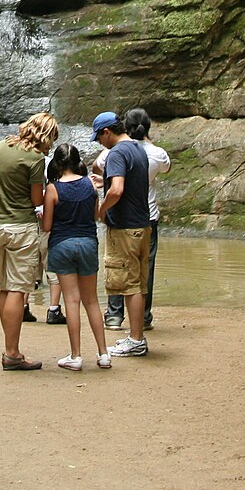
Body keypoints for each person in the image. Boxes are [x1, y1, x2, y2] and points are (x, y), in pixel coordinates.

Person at [0, 113, 55, 370]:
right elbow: (36, 200)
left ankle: (9, 348)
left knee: (5, 287)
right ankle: (12, 353)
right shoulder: (36, 158)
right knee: (17, 289)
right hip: (20, 228)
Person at [41, 140, 111, 370]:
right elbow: (95, 216)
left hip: (62, 244)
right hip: (88, 243)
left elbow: (48, 226)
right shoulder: (90, 185)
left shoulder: (53, 189)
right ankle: (103, 354)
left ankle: (76, 356)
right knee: (92, 300)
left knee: (71, 300)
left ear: (58, 165)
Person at [92, 111, 152, 358]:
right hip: (142, 225)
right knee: (138, 282)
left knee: (129, 285)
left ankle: (136, 339)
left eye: (98, 138)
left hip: (125, 228)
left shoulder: (116, 153)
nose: (99, 143)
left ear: (107, 132)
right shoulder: (139, 148)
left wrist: (101, 210)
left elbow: (117, 190)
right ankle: (136, 336)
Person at [104, 107, 169, 332]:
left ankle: (114, 316)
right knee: (144, 270)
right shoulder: (155, 153)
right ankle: (143, 318)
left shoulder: (116, 151)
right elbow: (167, 168)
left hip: (122, 218)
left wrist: (101, 210)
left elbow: (99, 168)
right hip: (147, 216)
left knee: (117, 266)